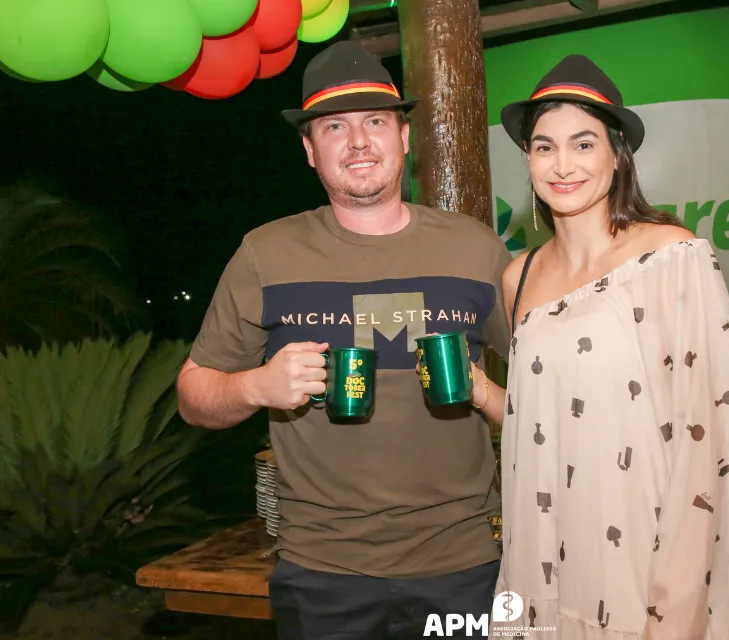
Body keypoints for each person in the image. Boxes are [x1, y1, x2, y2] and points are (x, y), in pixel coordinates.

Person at [176, 41, 512, 639]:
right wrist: (256, 386)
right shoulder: (265, 254)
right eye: (335, 126)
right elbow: (193, 397)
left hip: (465, 564)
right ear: (310, 150)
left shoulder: (475, 248)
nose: (358, 142)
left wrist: (487, 392)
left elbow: (549, 392)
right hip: (322, 571)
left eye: (375, 122)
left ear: (403, 137)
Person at [472, 55, 729, 639]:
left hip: (640, 559)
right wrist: (478, 389)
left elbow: (707, 436)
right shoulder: (518, 278)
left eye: (583, 144)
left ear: (618, 154)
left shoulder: (670, 257)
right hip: (544, 559)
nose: (562, 165)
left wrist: (677, 596)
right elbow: (536, 425)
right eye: (544, 147)